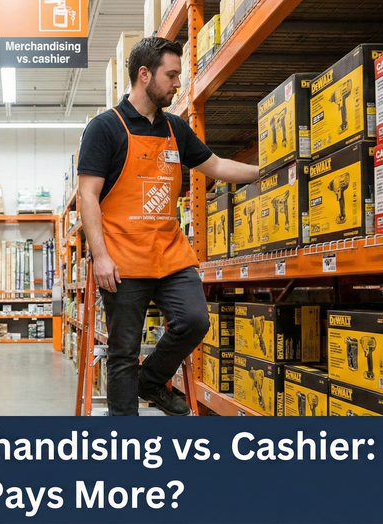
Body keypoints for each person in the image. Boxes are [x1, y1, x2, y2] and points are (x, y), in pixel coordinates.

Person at [77, 37, 259, 416]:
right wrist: (100, 257)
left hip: (171, 255)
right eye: (171, 75)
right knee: (123, 351)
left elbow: (218, 167)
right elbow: (87, 195)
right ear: (144, 75)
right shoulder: (105, 128)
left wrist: (270, 169)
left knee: (194, 320)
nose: (177, 83)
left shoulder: (176, 128)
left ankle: (152, 380)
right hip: (123, 259)